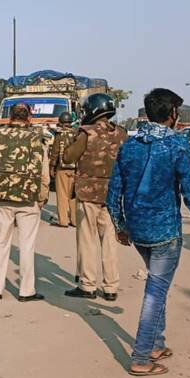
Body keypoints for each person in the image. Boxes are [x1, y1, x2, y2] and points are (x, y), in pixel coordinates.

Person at [106, 88, 190, 376]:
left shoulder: (130, 145)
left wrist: (120, 225)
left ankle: (156, 343)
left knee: (158, 286)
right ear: (172, 114)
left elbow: (113, 192)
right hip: (165, 231)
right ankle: (142, 356)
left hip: (137, 229)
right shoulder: (178, 146)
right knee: (155, 292)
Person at [0, 103, 50, 302]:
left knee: (0, 243)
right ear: (29, 117)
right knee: (26, 246)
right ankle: (26, 291)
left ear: (10, 116)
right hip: (28, 200)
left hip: (2, 198)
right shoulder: (37, 138)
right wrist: (42, 197)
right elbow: (44, 172)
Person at [62, 94, 127, 301]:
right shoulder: (122, 134)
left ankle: (88, 284)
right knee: (109, 241)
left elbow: (68, 156)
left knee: (87, 240)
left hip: (88, 194)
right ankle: (111, 287)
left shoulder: (86, 133)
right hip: (113, 195)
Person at [50, 111, 78, 228]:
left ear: (60, 123)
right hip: (75, 169)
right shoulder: (77, 134)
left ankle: (63, 221)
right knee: (73, 196)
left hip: (62, 169)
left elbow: (55, 152)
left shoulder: (59, 135)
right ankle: (75, 220)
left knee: (62, 195)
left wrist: (52, 167)